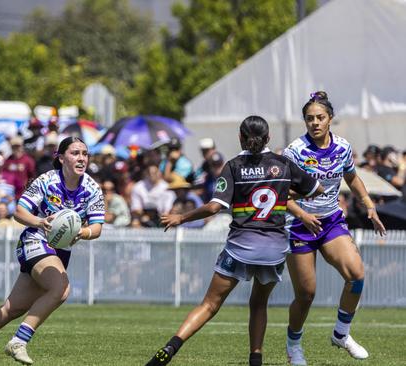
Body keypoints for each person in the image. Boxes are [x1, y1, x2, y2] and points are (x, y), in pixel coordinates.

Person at [146, 116, 323, 366]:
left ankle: (170, 348)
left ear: (240, 137)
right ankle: (255, 359)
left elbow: (214, 207)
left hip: (240, 247)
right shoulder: (284, 164)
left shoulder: (234, 166)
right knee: (259, 304)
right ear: (268, 138)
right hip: (273, 250)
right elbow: (317, 189)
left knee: (209, 304)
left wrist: (181, 217)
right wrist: (283, 192)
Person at [0, 136, 105, 365]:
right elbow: (19, 213)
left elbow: (98, 227)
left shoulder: (92, 188)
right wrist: (40, 222)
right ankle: (19, 341)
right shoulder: (46, 181)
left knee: (13, 308)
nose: (81, 158)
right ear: (61, 158)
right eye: (75, 153)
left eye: (84, 153)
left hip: (60, 250)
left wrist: (82, 232)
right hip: (35, 239)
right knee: (61, 289)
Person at [282, 91, 386, 365]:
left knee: (357, 274)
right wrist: (302, 214)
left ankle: (341, 333)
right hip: (299, 225)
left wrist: (369, 205)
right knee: (306, 294)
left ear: (330, 119)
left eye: (320, 118)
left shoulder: (342, 147)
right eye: (309, 119)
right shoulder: (294, 151)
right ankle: (293, 345)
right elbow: (279, 194)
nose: (315, 123)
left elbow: (351, 177)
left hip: (330, 221)